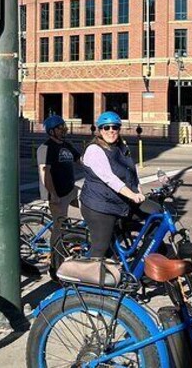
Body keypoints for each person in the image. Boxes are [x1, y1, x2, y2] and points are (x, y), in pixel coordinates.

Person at [79, 111, 155, 259]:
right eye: (106, 127)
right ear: (100, 130)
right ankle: (90, 279)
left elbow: (131, 172)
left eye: (115, 127)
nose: (111, 131)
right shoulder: (94, 150)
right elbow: (110, 178)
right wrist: (132, 195)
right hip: (100, 206)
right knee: (101, 248)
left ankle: (145, 256)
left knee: (156, 212)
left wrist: (138, 190)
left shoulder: (120, 147)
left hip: (119, 201)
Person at [36, 115, 81, 279]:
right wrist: (52, 194)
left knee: (90, 206)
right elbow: (44, 173)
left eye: (64, 127)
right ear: (52, 131)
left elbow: (80, 160)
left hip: (70, 189)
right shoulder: (45, 148)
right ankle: (55, 266)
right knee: (59, 228)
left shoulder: (66, 145)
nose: (64, 130)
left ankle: (77, 242)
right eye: (60, 127)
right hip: (56, 193)